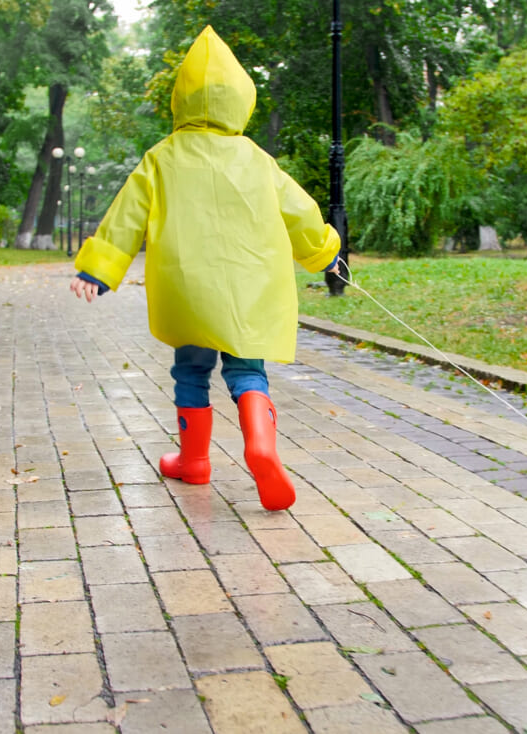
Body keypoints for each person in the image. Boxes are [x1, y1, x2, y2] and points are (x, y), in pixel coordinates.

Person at [69, 26, 340, 512]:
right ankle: (261, 445)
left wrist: (99, 269)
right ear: (241, 101)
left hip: (188, 286)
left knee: (191, 370)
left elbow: (127, 214)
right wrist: (324, 254)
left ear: (181, 102)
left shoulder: (162, 157)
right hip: (247, 289)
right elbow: (300, 214)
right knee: (247, 369)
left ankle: (194, 461)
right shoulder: (258, 160)